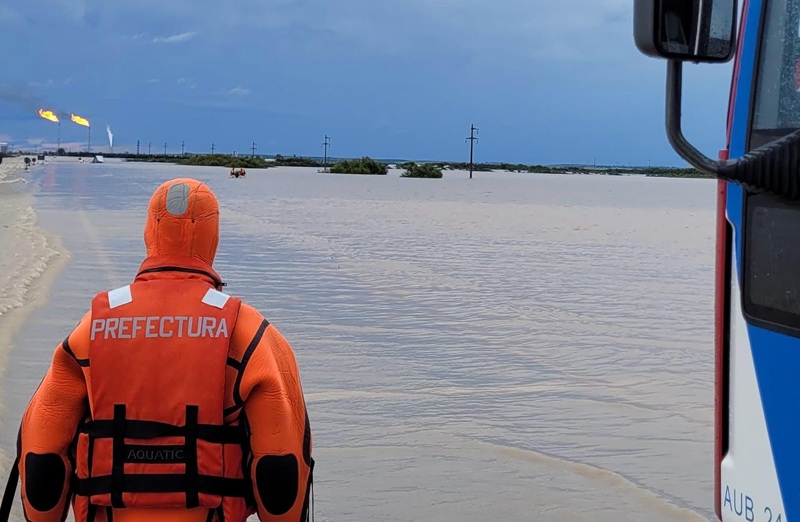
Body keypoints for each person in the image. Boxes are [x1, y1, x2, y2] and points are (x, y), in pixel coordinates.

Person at [14, 178, 314, 522]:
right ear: (213, 237)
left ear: (149, 233)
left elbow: (42, 451)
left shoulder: (92, 327)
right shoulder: (248, 332)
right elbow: (281, 467)